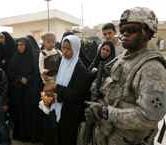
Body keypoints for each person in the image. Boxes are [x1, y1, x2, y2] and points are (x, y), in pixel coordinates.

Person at [85, 7, 166, 145]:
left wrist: (105, 112)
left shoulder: (151, 68)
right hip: (106, 136)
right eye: (122, 30)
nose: (125, 34)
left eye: (132, 29)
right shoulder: (123, 57)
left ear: (147, 32)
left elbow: (149, 116)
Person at [43, 35, 88, 145]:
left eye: (68, 48)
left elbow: (75, 94)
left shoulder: (80, 69)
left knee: (67, 138)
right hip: (57, 108)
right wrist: (51, 92)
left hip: (69, 113)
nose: (65, 51)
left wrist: (55, 87)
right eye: (63, 48)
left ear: (76, 48)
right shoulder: (62, 62)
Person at [8, 37, 44, 143]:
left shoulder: (35, 55)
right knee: (21, 112)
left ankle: (35, 136)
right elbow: (11, 73)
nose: (19, 47)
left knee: (33, 112)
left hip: (33, 90)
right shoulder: (15, 57)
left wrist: (29, 79)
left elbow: (39, 71)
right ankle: (23, 135)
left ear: (27, 45)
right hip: (20, 92)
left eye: (22, 45)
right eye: (18, 45)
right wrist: (19, 78)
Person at [38, 32, 62, 114]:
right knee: (48, 90)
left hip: (55, 73)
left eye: (53, 42)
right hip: (48, 75)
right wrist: (43, 74)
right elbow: (40, 65)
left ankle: (49, 103)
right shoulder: (43, 53)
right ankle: (43, 103)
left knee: (53, 91)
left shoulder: (56, 51)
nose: (51, 44)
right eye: (48, 42)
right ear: (44, 43)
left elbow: (62, 56)